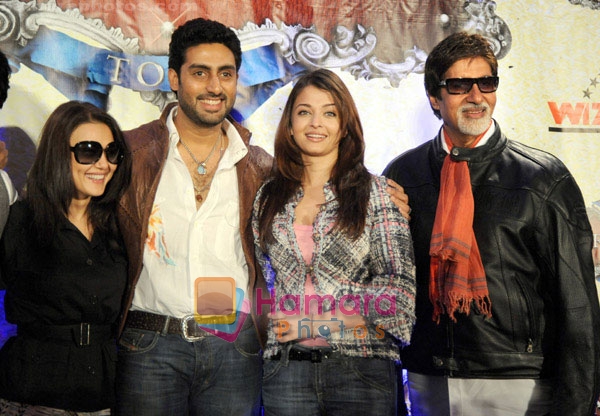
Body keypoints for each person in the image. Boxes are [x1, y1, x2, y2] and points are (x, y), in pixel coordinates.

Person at [383, 31, 600, 415]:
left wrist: (578, 403)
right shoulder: (404, 175)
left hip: (518, 380)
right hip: (428, 377)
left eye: (486, 82)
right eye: (459, 85)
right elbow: (388, 284)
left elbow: (577, 305)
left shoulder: (542, 179)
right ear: (435, 98)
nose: (476, 96)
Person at [114, 18, 273, 415]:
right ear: (174, 78)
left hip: (233, 343)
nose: (215, 87)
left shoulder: (258, 166)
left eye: (226, 74)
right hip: (149, 343)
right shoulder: (130, 154)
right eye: (199, 73)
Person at [252, 68, 416, 415]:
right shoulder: (268, 197)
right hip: (286, 372)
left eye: (329, 112)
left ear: (344, 127)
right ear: (290, 125)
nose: (316, 123)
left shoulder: (377, 194)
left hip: (362, 369)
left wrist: (316, 322)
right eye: (304, 112)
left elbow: (399, 299)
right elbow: (259, 283)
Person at [0, 100, 131, 414]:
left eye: (111, 152)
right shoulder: (19, 220)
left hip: (101, 397)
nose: (103, 164)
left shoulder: (121, 227)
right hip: (32, 396)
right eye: (88, 150)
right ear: (59, 153)